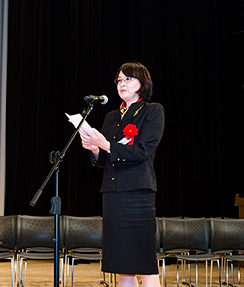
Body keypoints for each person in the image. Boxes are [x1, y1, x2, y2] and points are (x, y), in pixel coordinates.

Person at [80, 61, 164, 287]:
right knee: (121, 265)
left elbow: (142, 150)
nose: (122, 83)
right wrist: (95, 149)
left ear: (142, 83)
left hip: (138, 193)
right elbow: (106, 160)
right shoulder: (111, 117)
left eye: (128, 79)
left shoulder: (152, 110)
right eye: (119, 80)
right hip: (113, 195)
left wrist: (105, 144)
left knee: (144, 264)